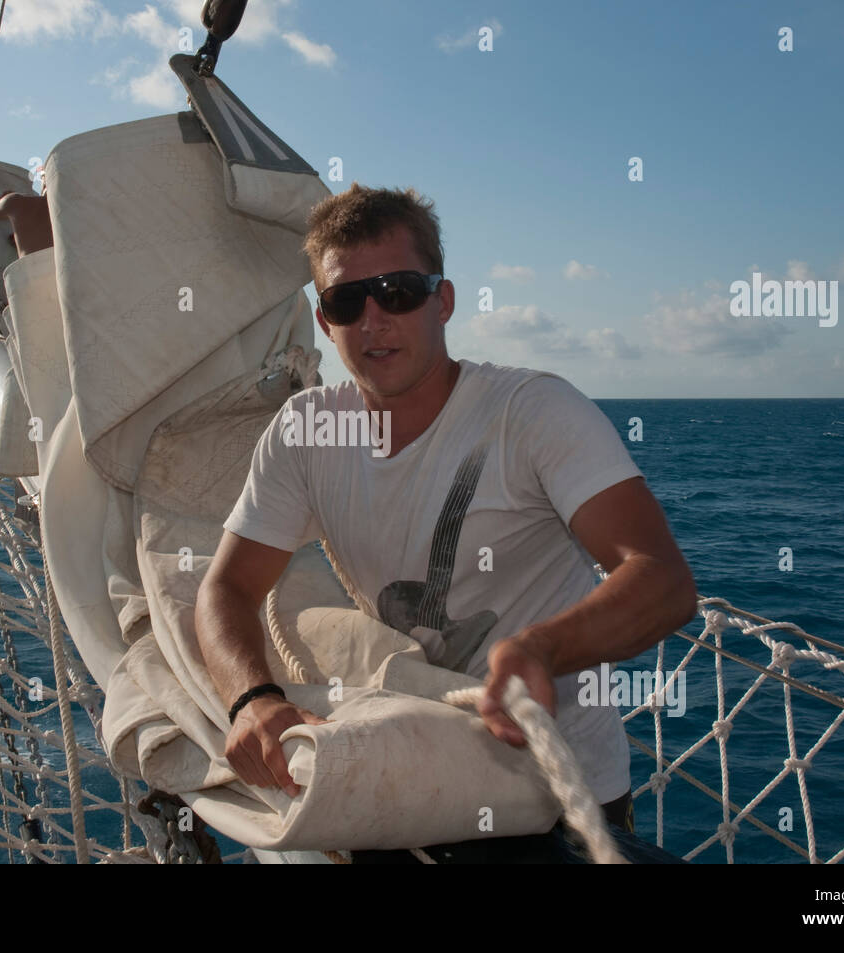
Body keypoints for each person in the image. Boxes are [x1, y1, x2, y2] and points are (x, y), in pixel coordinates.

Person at [194, 183, 697, 861]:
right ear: (324, 321)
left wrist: (542, 649)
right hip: (409, 775)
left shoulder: (532, 412)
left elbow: (662, 579)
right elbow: (227, 588)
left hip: (551, 796)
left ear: (444, 300)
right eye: (348, 300)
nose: (374, 319)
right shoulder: (307, 431)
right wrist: (251, 699)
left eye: (398, 290)